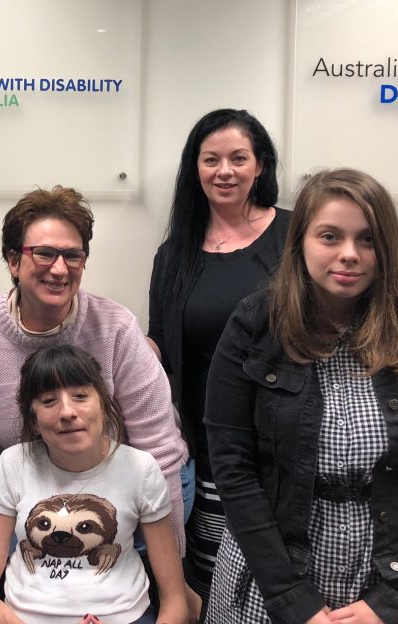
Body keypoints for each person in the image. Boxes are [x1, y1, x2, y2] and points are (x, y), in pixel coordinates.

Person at [204, 169, 398, 624]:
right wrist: (294, 600)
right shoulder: (255, 325)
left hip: (394, 578)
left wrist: (393, 603)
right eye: (330, 236)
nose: (349, 254)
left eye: (367, 239)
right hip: (272, 579)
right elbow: (233, 468)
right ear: (301, 242)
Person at [0, 186, 188, 623]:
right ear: (13, 261)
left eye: (73, 256)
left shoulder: (114, 326)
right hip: (34, 505)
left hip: (126, 504)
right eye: (44, 253)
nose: (60, 269)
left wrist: (171, 573)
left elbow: (160, 448)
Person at [147, 108, 289, 609]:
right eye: (211, 160)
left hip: (287, 445)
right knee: (218, 584)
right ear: (196, 168)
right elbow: (159, 345)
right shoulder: (174, 253)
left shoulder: (297, 238)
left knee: (286, 579)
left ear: (261, 166)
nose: (224, 171)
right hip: (209, 447)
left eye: (238, 158)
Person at [0, 345, 188, 624]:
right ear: (33, 421)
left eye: (80, 396)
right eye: (49, 401)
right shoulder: (13, 464)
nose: (67, 412)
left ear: (104, 406)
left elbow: (175, 600)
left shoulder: (141, 468)